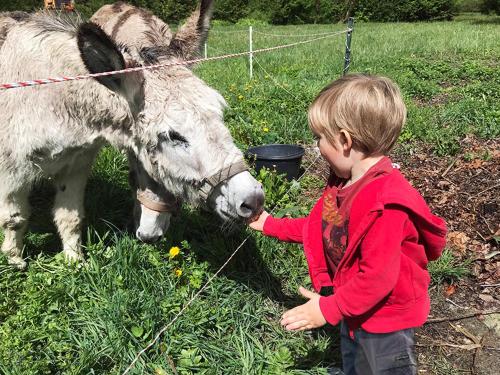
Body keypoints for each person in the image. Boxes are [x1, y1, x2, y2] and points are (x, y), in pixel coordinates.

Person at [249, 74, 447, 374]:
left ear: (344, 141)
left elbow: (377, 279)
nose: (316, 147)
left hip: (386, 316)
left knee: (383, 365)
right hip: (355, 300)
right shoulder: (343, 183)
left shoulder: (385, 206)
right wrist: (271, 225)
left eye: (319, 138)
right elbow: (323, 227)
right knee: (353, 348)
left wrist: (328, 309)